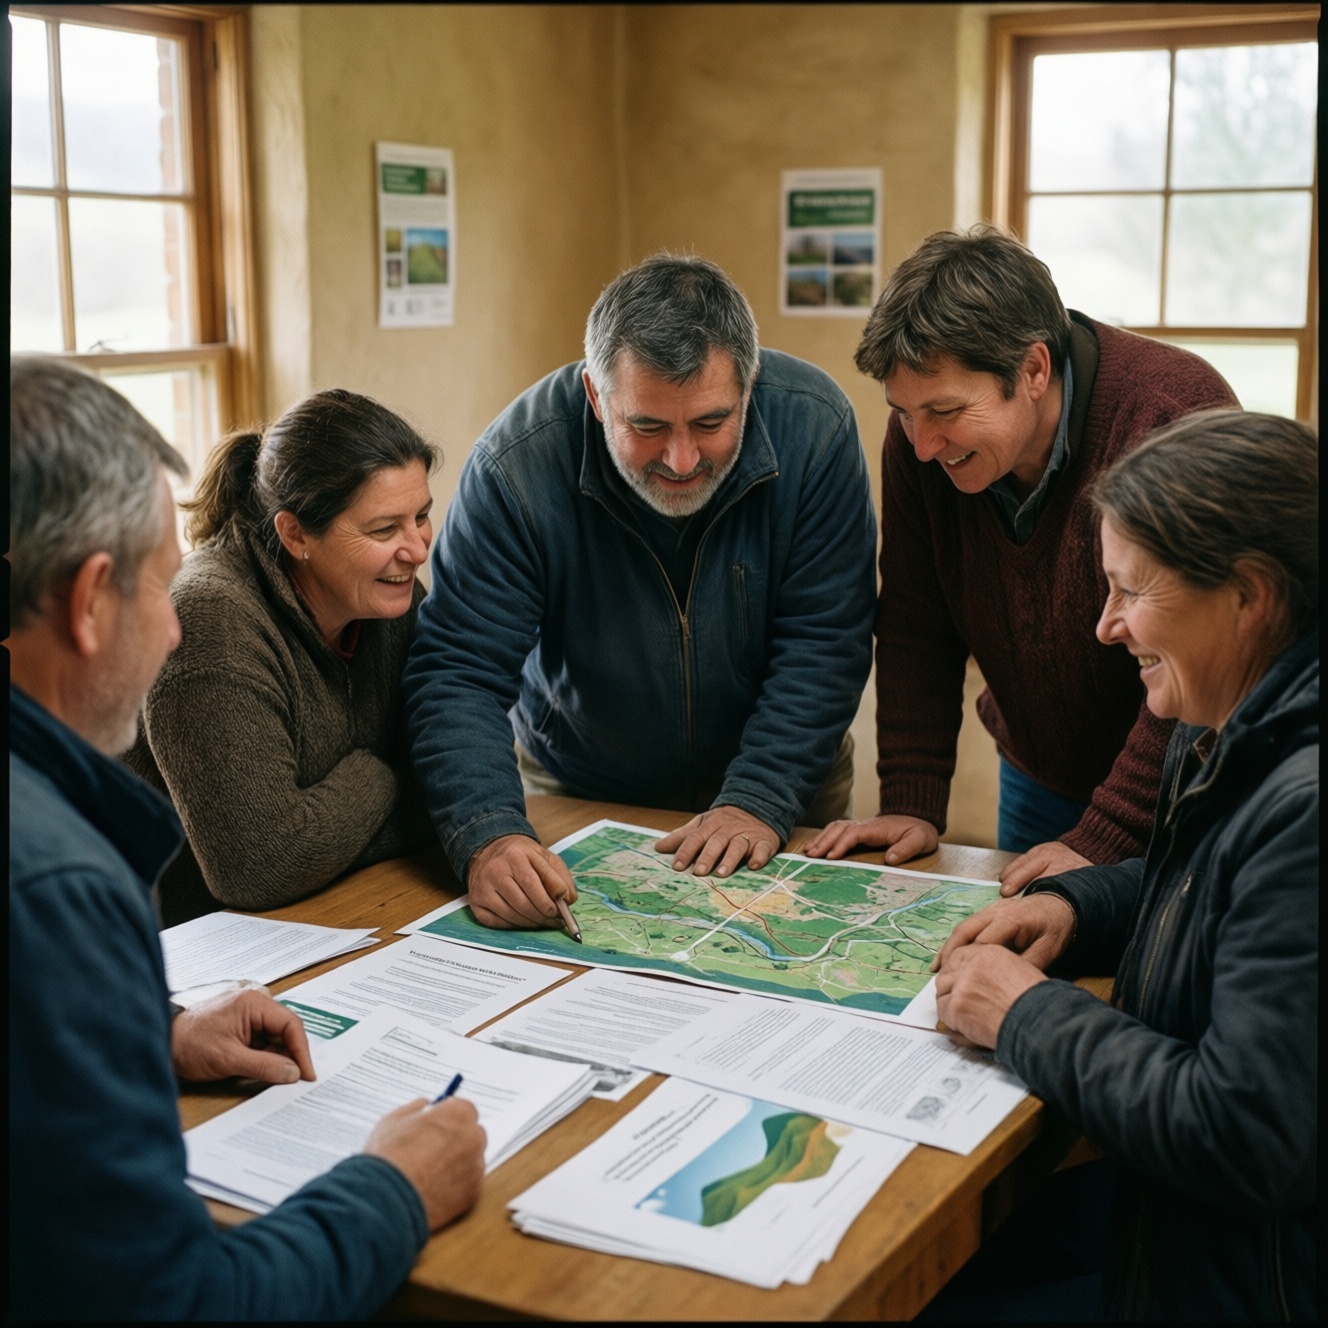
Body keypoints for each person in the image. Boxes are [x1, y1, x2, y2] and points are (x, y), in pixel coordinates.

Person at [9, 356, 487, 1320]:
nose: (172, 632)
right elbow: (180, 1302)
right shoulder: (56, 886)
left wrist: (159, 1035)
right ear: (87, 599)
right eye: (155, 587)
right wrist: (391, 1190)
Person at [929, 410, 1317, 1320]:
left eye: (1130, 592)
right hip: (1175, 1225)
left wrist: (1023, 1012)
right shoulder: (1229, 717)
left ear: (1250, 596)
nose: (1106, 630)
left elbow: (1245, 1133)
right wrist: (1076, 906)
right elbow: (1216, 885)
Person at [403, 253, 877, 929]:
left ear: (749, 386)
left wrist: (760, 796)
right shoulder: (514, 466)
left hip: (784, 787)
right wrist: (489, 831)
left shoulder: (818, 428)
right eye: (647, 427)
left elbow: (826, 640)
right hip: (582, 790)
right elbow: (458, 670)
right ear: (597, 399)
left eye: (711, 423)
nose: (681, 460)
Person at [804, 225, 1238, 894]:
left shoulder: (1172, 414)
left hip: (1175, 781)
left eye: (945, 410)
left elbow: (1200, 647)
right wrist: (910, 802)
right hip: (1037, 772)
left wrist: (1111, 831)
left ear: (1034, 370)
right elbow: (918, 622)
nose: (922, 445)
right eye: (904, 412)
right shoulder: (922, 442)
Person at [124, 388, 440, 924]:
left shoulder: (387, 595)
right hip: (193, 954)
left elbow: (449, 770)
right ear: (295, 534)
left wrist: (323, 828)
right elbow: (260, 867)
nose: (417, 549)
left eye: (422, 516)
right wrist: (383, 772)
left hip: (338, 912)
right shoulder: (210, 620)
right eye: (384, 529)